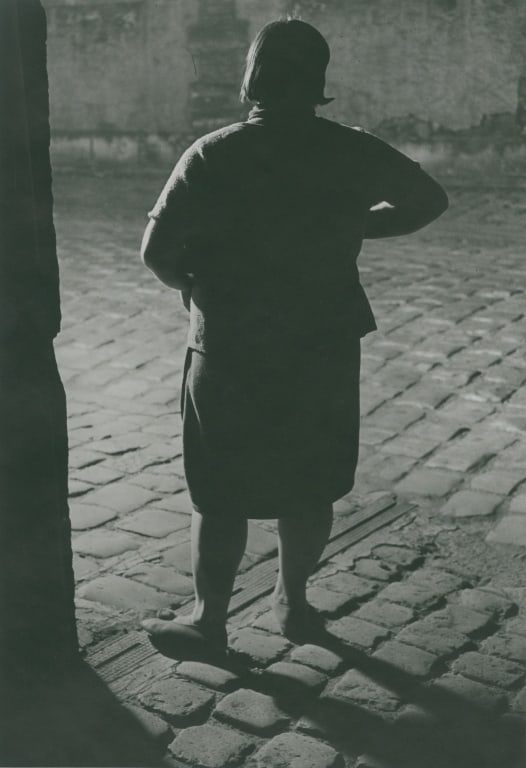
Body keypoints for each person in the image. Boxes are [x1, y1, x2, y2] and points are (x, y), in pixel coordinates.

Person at [140, 19, 448, 654]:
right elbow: (427, 199)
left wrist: (191, 285)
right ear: (319, 82)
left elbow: (156, 250)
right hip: (323, 340)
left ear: (250, 78)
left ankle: (209, 621)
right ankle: (292, 604)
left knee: (219, 490)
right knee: (310, 481)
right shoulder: (351, 149)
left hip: (228, 344)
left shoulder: (212, 153)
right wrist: (353, 226)